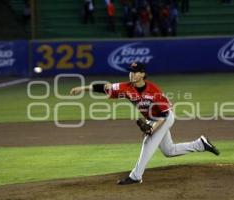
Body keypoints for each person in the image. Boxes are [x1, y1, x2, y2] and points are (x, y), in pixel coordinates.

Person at [70, 62, 220, 185]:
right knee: (169, 151)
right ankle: (201, 144)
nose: (131, 74)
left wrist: (151, 130)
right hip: (154, 118)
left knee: (148, 142)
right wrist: (82, 88)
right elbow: (105, 88)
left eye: (135, 72)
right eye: (130, 71)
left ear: (142, 74)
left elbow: (164, 115)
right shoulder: (126, 87)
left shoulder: (153, 90)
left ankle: (136, 176)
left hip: (165, 117)